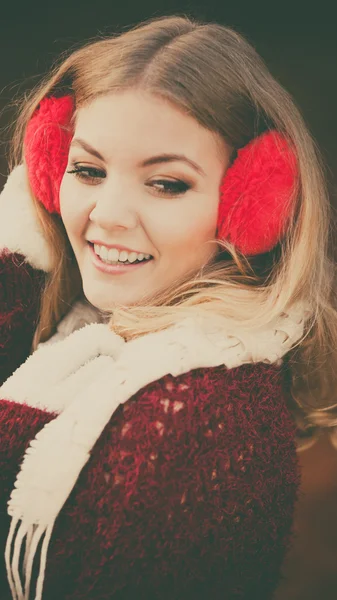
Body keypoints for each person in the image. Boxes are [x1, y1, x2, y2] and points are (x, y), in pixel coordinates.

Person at [0, 13, 336, 600]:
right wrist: (24, 251)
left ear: (250, 207)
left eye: (166, 183)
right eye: (86, 170)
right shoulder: (79, 329)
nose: (107, 214)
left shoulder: (189, 418)